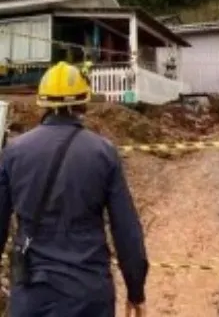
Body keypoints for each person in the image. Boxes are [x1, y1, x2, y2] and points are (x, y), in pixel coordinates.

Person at [0, 61, 149, 316]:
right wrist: (136, 290)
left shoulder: (13, 152)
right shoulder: (103, 153)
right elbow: (126, 230)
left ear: (43, 102)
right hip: (88, 294)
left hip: (32, 295)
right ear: (83, 104)